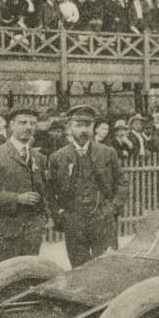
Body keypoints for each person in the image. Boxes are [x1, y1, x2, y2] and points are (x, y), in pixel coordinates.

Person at [48, 105, 129, 268]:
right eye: (78, 125)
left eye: (87, 125)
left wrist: (113, 208)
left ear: (93, 127)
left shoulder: (108, 153)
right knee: (80, 270)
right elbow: (49, 192)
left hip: (103, 219)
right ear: (69, 127)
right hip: (74, 221)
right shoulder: (58, 158)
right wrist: (61, 215)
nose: (83, 130)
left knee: (108, 267)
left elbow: (122, 183)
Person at [0, 107, 50, 264]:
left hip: (32, 232)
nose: (28, 127)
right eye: (23, 122)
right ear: (11, 125)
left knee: (29, 275)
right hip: (6, 231)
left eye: (32, 123)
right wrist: (17, 198)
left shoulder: (39, 158)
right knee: (8, 279)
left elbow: (44, 191)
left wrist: (43, 219)